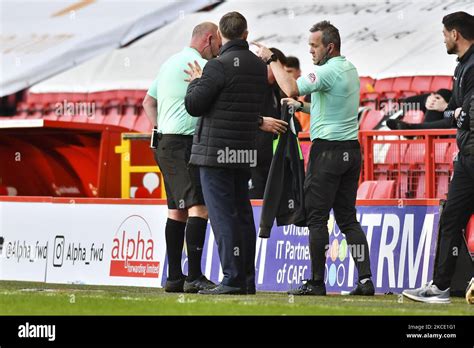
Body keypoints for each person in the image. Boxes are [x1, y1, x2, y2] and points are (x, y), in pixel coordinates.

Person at [254, 20, 374, 296]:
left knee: (316, 218)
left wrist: (272, 59)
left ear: (329, 47)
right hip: (350, 152)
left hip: (328, 153)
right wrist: (302, 107)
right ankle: (366, 280)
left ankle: (317, 282)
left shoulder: (327, 71)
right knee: (347, 219)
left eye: (314, 45)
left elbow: (291, 88)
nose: (310, 51)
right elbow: (328, 106)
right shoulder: (348, 68)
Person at [184, 11, 288, 295]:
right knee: (242, 214)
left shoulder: (216, 67)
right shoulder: (257, 66)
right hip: (243, 152)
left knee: (222, 216)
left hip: (215, 154)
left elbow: (194, 105)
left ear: (221, 35)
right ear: (245, 33)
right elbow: (240, 109)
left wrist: (196, 80)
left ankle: (231, 278)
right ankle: (245, 278)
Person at [142, 22, 222, 293]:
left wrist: (159, 128)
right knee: (199, 207)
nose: (218, 50)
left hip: (165, 144)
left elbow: (147, 102)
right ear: (209, 39)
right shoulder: (202, 66)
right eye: (218, 44)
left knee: (176, 210)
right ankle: (195, 276)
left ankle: (175, 277)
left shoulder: (168, 63)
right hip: (186, 144)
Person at [403, 11, 474, 304]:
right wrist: (456, 113)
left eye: (444, 33)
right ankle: (440, 286)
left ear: (455, 33)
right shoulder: (462, 68)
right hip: (467, 158)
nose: (443, 39)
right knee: (450, 219)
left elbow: (468, 114)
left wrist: (458, 114)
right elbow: (452, 113)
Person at [249, 47, 287, 199]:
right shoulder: (251, 87)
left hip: (270, 156)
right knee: (256, 197)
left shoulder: (274, 89)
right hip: (252, 156)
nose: (280, 73)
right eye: (277, 68)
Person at [386, 89, 453, 130]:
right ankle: (399, 121)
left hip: (457, 118)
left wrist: (445, 106)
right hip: (453, 103)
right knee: (442, 93)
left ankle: (412, 128)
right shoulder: (460, 70)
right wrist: (429, 100)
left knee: (451, 120)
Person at [285, 56, 311, 132]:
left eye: (290, 71)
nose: (287, 75)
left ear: (299, 71)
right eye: (285, 72)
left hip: (308, 138)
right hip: (292, 138)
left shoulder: (310, 92)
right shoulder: (280, 95)